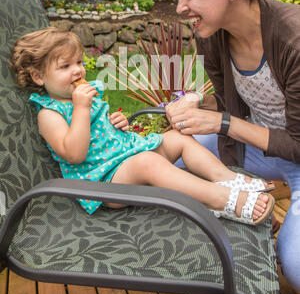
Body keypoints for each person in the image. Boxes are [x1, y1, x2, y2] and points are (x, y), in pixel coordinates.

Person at [9, 26, 275, 226]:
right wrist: (81, 109)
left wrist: (116, 124)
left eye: (78, 62)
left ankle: (227, 179)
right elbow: (75, 153)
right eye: (65, 66)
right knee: (148, 162)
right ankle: (221, 199)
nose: (78, 70)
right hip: (104, 182)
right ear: (38, 76)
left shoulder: (85, 96)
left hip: (125, 157)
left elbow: (101, 132)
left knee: (178, 138)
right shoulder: (50, 113)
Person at [167, 0, 300, 294]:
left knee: (298, 263)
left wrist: (222, 121)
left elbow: (297, 144)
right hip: (259, 149)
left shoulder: (294, 41)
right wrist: (199, 102)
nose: (181, 8)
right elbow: (232, 104)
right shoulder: (212, 34)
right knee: (154, 159)